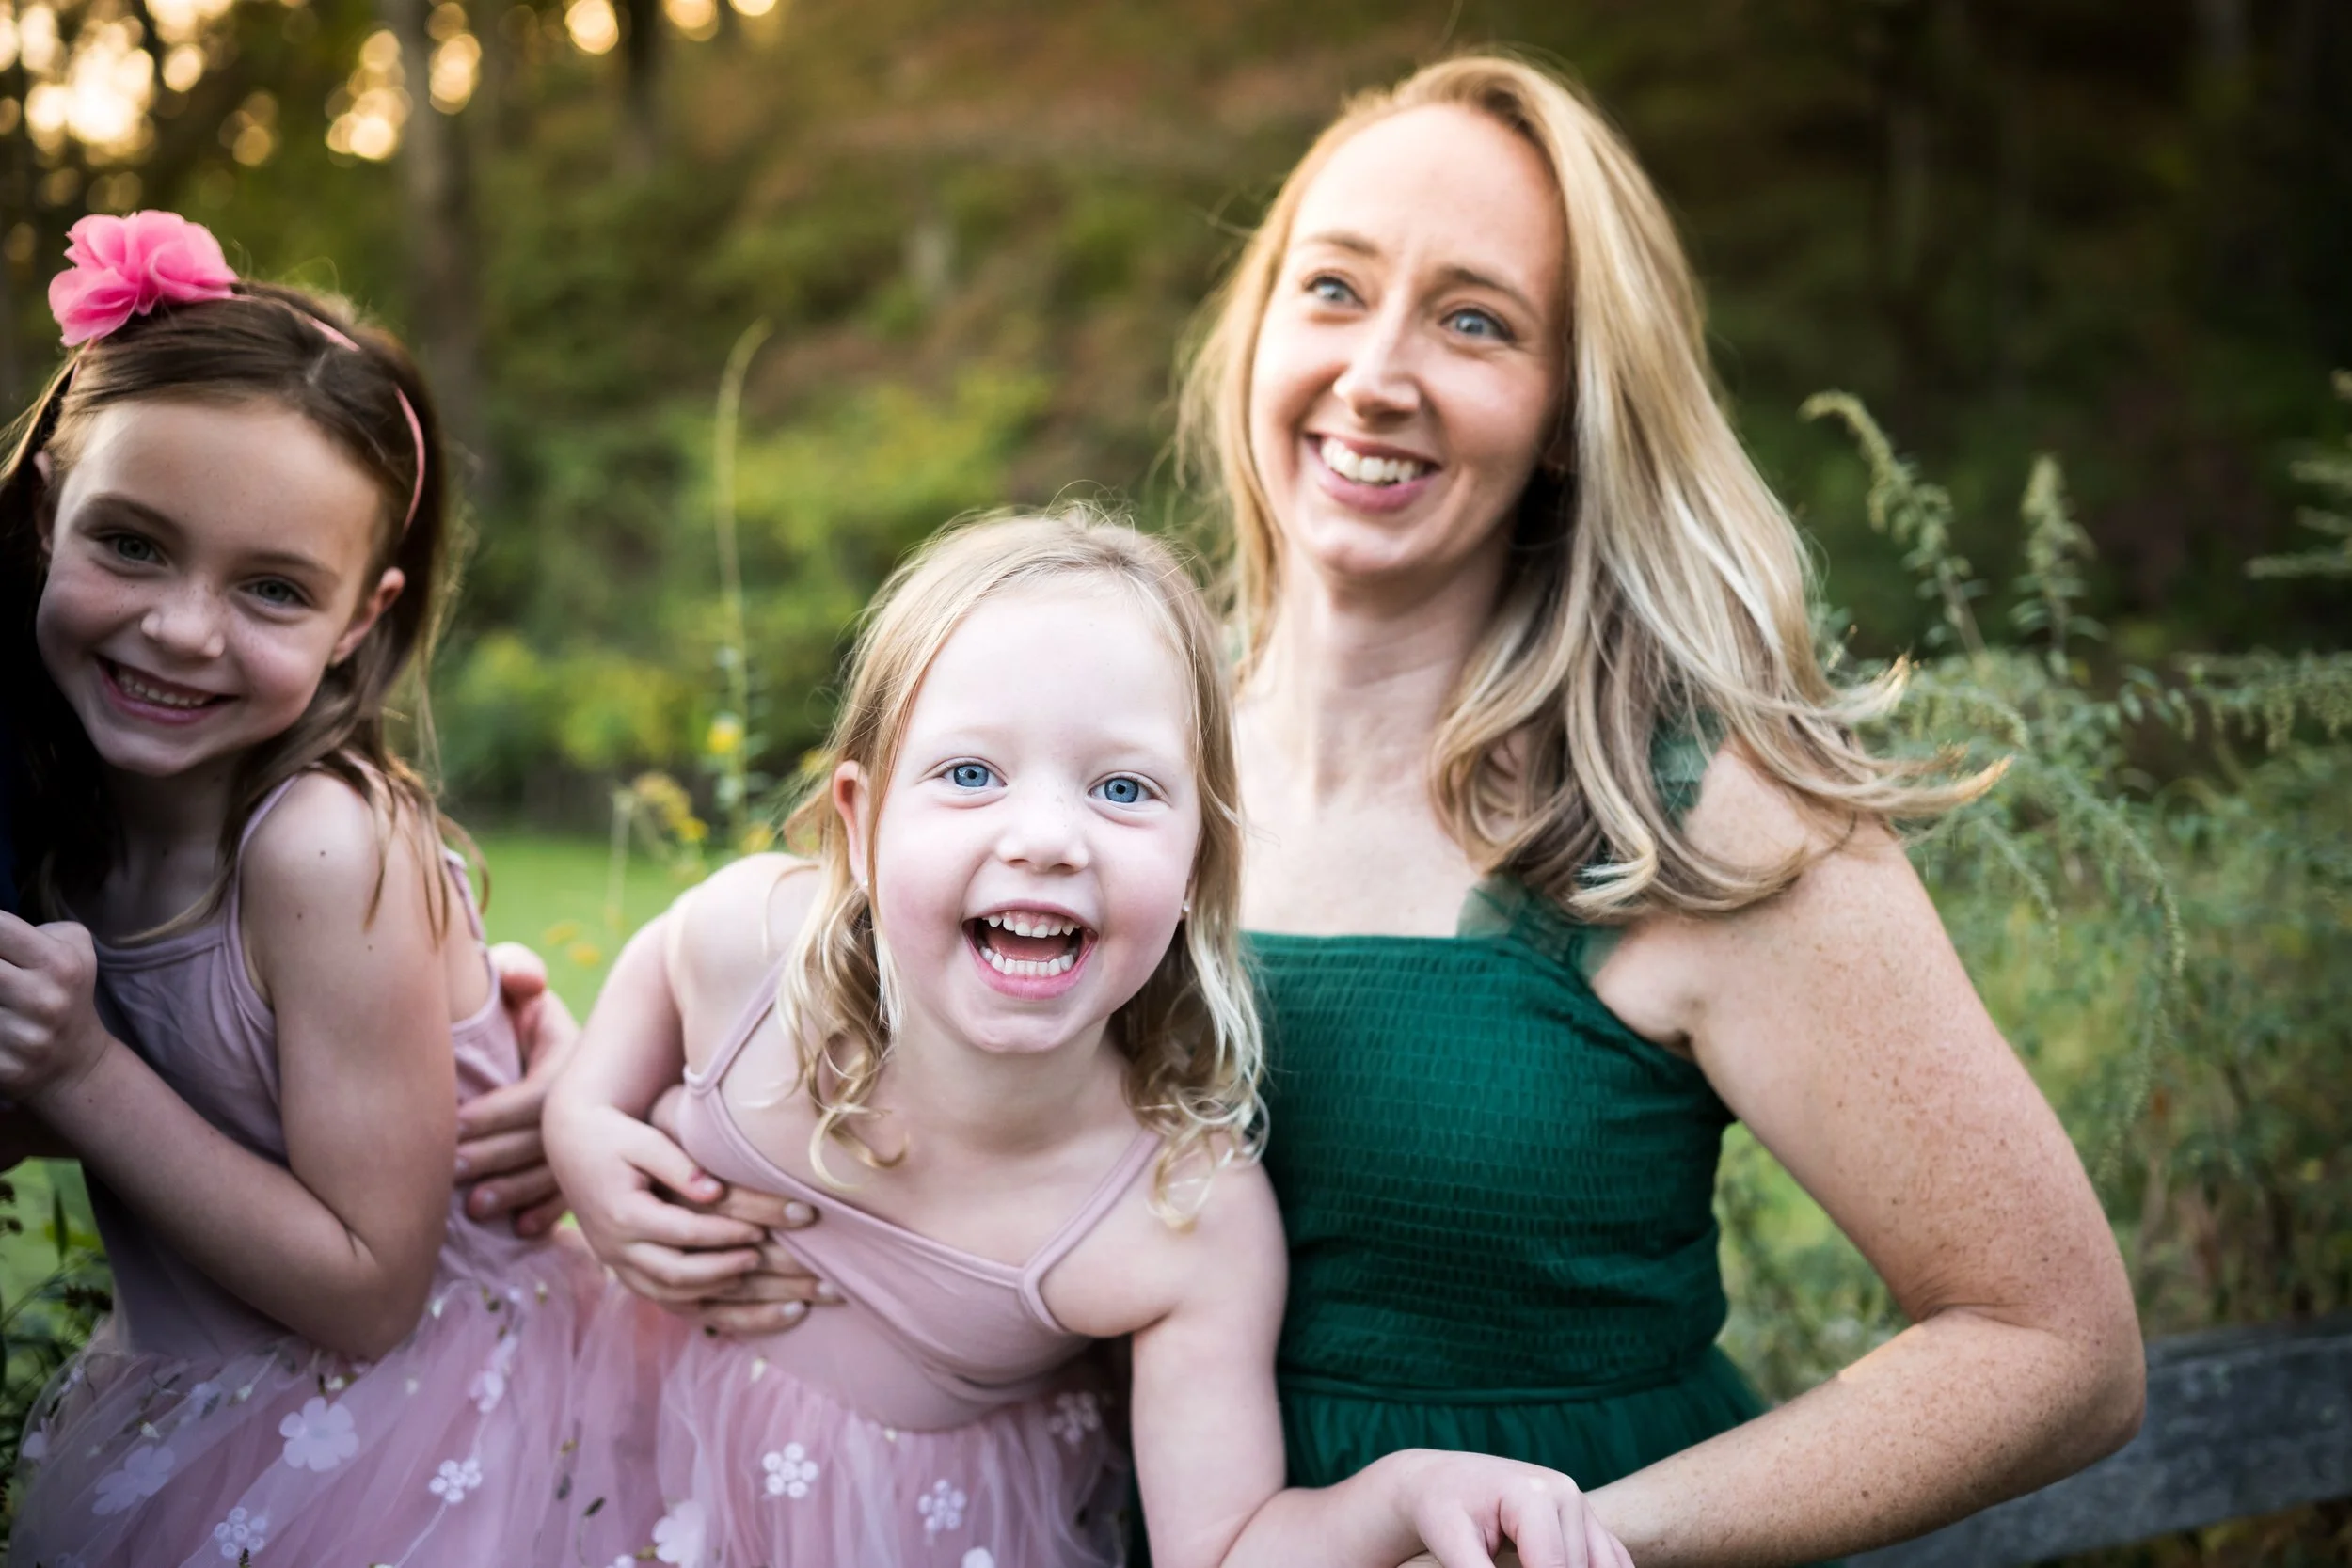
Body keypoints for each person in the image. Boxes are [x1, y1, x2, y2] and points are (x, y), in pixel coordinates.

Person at [582, 53, 2148, 1568]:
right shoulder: (1112, 767)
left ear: (1565, 410)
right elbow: (841, 1054)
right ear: (1256, 334)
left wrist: (1577, 1537)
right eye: (1331, 289)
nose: (1376, 372)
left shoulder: (1694, 816)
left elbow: (2056, 1346)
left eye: (1474, 321)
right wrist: (573, 1125)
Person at [548, 510, 1633, 1568]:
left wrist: (1411, 1489)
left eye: (1122, 787)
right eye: (970, 773)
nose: (1046, 838)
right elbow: (607, 1057)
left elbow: (1225, 1545)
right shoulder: (743, 948)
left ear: (1199, 864)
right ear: (860, 821)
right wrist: (581, 1139)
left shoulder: (1176, 1215)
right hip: (588, 1458)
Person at [0, 212, 604, 1567]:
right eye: (134, 544)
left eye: (273, 587)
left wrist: (78, 1068)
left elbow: (369, 1288)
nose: (181, 627)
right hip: (194, 1402)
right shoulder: (61, 810)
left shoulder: (320, 844)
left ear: (361, 619)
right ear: (46, 507)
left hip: (408, 1446)